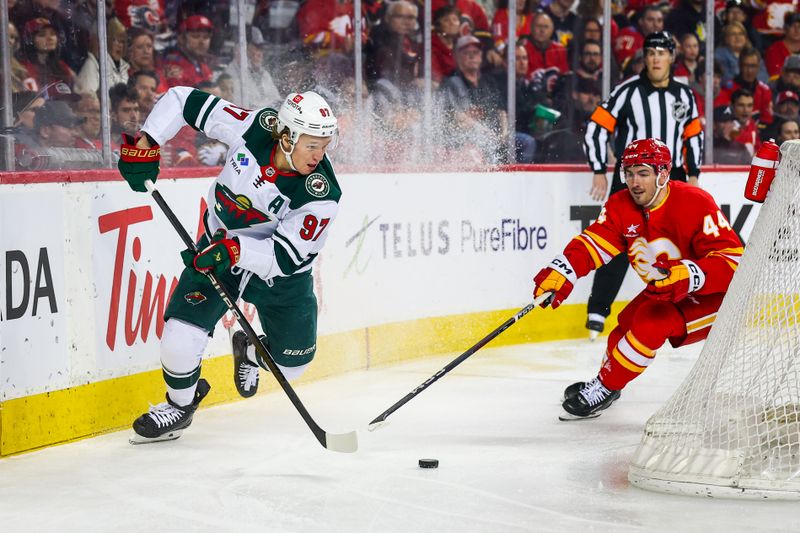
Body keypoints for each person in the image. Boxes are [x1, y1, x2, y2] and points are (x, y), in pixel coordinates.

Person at [117, 86, 341, 443]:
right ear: (285, 136)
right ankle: (179, 406)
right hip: (217, 252)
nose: (319, 156)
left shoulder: (320, 193)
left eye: (324, 146)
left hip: (278, 276)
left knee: (292, 366)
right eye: (311, 145)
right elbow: (182, 100)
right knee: (179, 338)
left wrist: (234, 250)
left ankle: (249, 350)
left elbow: (284, 257)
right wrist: (149, 139)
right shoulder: (255, 129)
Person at [533, 138, 743, 419]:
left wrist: (692, 274)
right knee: (626, 323)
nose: (634, 182)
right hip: (667, 290)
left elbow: (734, 262)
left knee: (651, 323)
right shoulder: (621, 204)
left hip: (717, 298)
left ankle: (606, 387)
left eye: (643, 173)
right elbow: (593, 243)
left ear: (663, 174)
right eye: (629, 173)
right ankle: (607, 382)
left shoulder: (695, 202)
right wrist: (563, 271)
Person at [583, 31, 703, 340]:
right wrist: (598, 168)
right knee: (620, 238)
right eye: (650, 53)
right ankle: (598, 310)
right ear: (645, 58)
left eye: (662, 53)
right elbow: (597, 127)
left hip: (671, 176)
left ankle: (679, 305)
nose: (656, 58)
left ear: (671, 58)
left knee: (678, 240)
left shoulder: (685, 95)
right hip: (633, 175)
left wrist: (693, 174)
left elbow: (693, 135)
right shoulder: (627, 92)